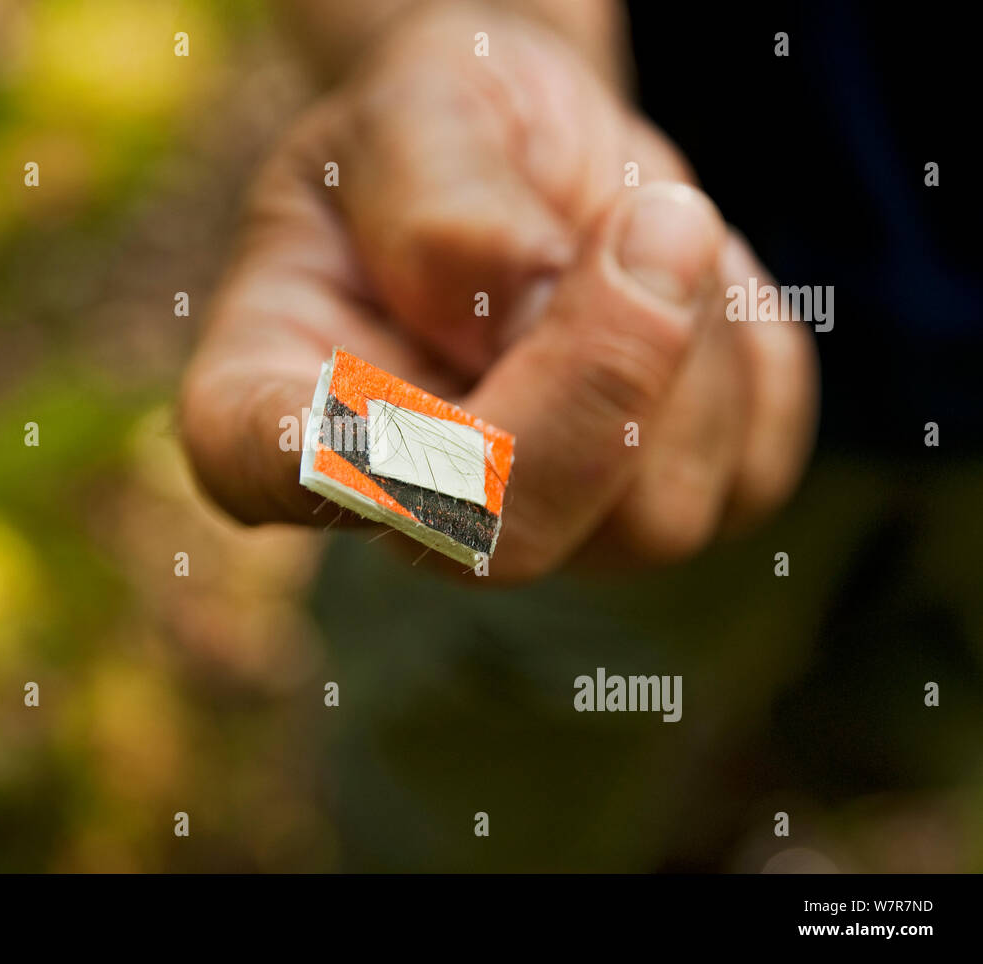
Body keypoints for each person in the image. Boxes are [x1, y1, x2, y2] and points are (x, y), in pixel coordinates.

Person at [179, 0, 980, 870]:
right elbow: (456, 484)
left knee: (905, 712)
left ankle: (754, 801)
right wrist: (476, 36)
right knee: (504, 716)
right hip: (605, 344)